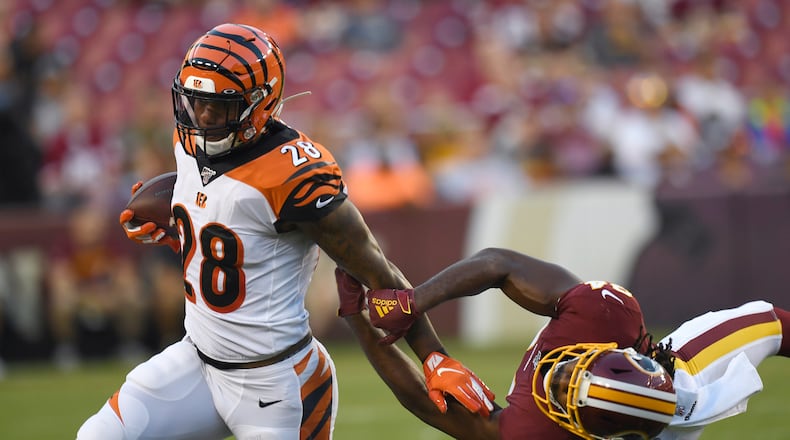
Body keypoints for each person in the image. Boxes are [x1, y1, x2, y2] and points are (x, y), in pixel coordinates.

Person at [77, 23, 486, 440]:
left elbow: (378, 272)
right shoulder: (190, 140)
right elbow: (220, 204)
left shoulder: (293, 176)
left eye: (216, 107)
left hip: (277, 382)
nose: (200, 117)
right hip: (197, 361)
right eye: (194, 101)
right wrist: (183, 228)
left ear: (259, 103)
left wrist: (434, 357)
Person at [334, 247, 790, 440]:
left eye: (563, 388)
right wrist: (414, 302)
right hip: (679, 380)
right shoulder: (607, 316)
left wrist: (354, 315)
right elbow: (499, 264)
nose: (555, 377)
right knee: (766, 324)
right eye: (575, 371)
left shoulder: (534, 430)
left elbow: (419, 400)